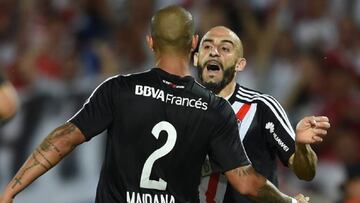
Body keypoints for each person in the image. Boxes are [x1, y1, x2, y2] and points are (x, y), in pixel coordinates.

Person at [1, 6, 308, 203]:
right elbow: (246, 183)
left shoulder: (119, 89)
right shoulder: (214, 109)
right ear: (193, 45)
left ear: (150, 42)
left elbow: (63, 139)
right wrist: (288, 202)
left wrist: (13, 188)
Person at [194, 26, 331, 202]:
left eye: (225, 48)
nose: (214, 52)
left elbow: (306, 173)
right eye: (207, 47)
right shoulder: (178, 107)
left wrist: (302, 147)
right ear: (196, 59)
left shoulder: (261, 107)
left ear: (240, 64)